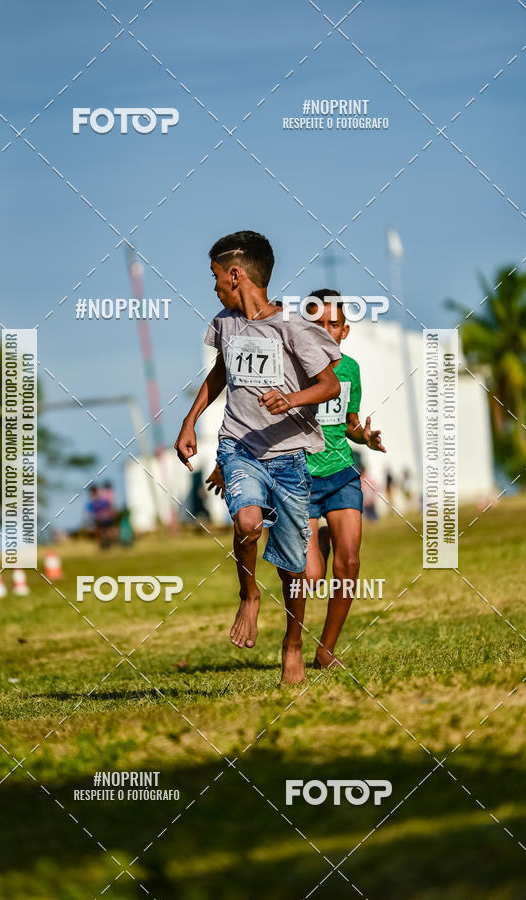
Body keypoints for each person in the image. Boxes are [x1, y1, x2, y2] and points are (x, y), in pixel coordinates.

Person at [175, 231, 341, 683]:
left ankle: (293, 641)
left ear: (236, 274)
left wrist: (291, 400)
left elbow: (330, 385)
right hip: (240, 444)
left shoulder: (292, 327)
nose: (213, 286)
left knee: (293, 564)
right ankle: (249, 595)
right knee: (247, 522)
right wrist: (189, 422)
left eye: (215, 276)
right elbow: (221, 374)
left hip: (289, 457)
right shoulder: (225, 323)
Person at [303, 290, 386, 669]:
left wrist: (364, 437)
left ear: (345, 331)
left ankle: (326, 650)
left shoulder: (350, 369)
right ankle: (293, 644)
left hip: (341, 473)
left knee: (349, 563)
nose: (325, 331)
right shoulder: (292, 366)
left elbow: (350, 423)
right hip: (299, 477)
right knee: (309, 576)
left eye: (332, 324)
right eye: (316, 324)